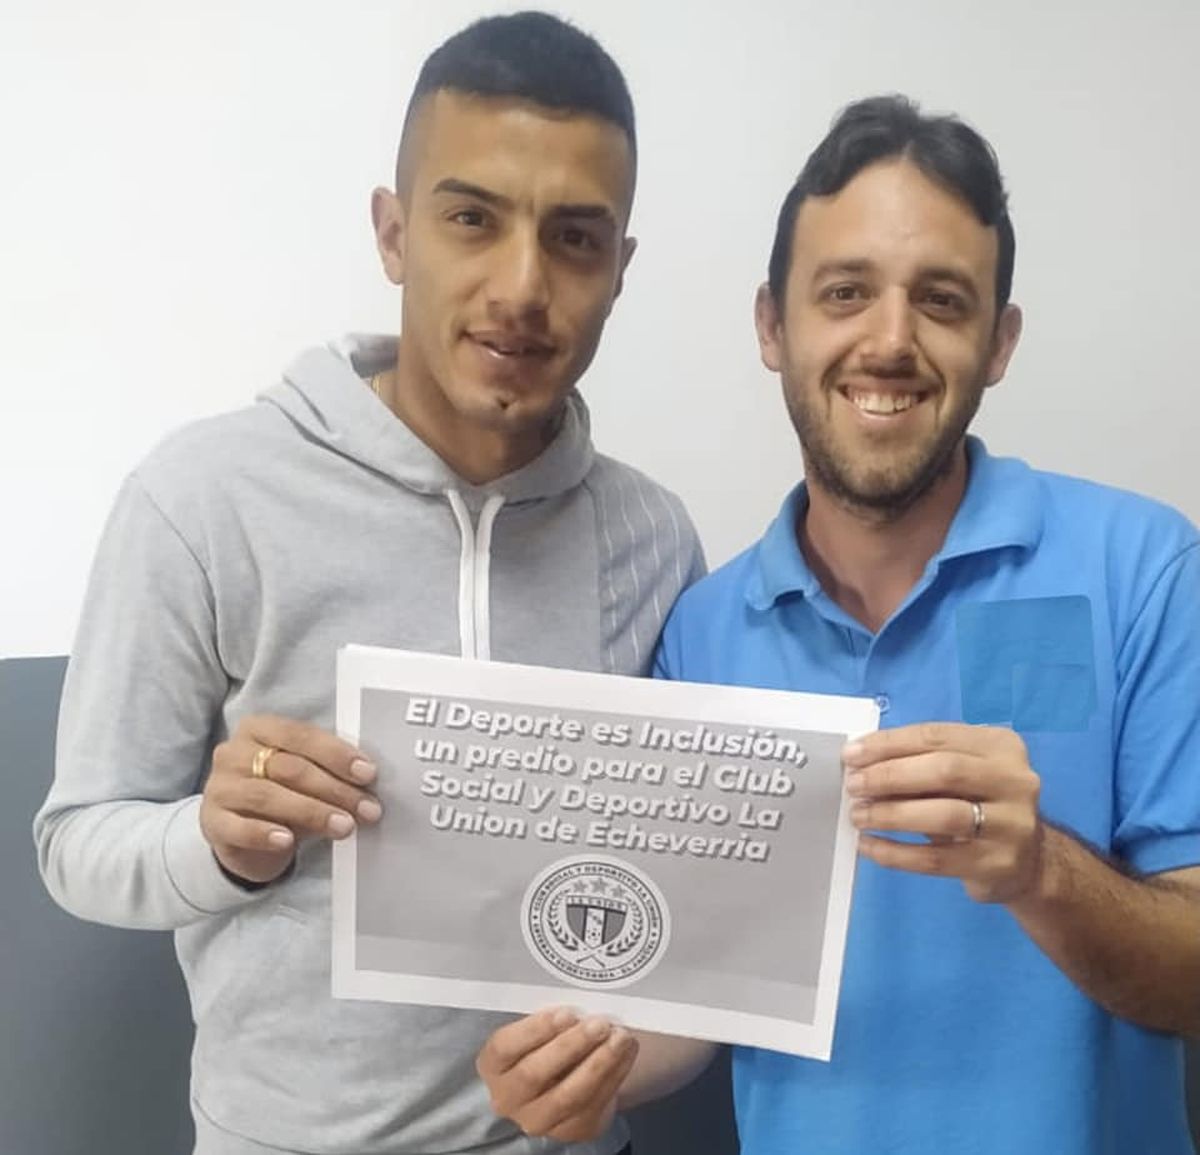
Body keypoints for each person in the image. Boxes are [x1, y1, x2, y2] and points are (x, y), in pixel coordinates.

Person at [475, 94, 1200, 1154]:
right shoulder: (702, 636)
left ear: (999, 342)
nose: (890, 341)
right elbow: (698, 998)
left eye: (941, 300)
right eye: (846, 292)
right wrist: (599, 1071)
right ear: (773, 326)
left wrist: (1040, 871)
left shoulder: (1144, 568)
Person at [33, 12, 702, 1155]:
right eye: (472, 219)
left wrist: (629, 1066)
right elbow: (76, 842)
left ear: (620, 271)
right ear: (395, 234)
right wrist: (217, 844)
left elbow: (686, 908)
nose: (522, 285)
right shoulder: (205, 497)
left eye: (575, 238)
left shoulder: (654, 539)